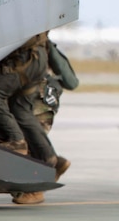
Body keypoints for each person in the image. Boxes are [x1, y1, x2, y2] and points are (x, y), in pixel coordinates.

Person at [10, 38, 79, 205]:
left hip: (35, 98)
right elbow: (71, 81)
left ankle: (35, 190)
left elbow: (71, 82)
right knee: (30, 141)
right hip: (44, 99)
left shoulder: (35, 45)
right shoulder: (43, 45)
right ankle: (48, 170)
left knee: (27, 144)